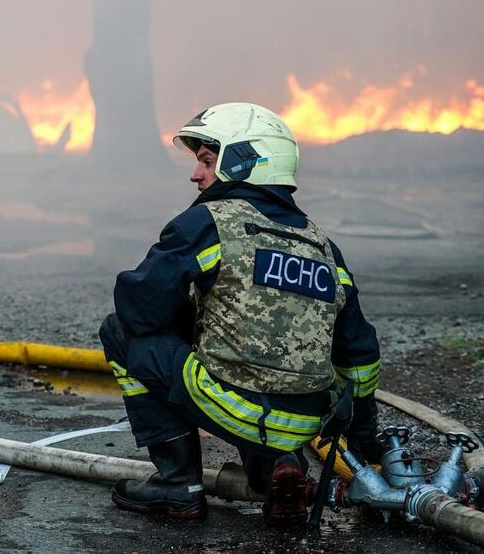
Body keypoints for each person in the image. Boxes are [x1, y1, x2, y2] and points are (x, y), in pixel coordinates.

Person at [99, 102, 383, 525]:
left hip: (236, 409)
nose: (196, 175)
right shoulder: (323, 247)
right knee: (255, 353)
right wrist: (364, 447)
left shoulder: (209, 224)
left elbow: (138, 310)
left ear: (244, 160)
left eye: (208, 161)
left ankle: (179, 485)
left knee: (120, 331)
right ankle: (278, 471)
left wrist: (186, 316)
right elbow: (359, 358)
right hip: (304, 425)